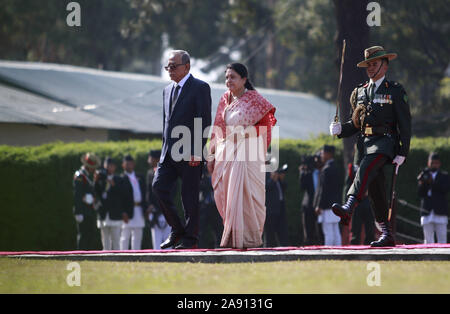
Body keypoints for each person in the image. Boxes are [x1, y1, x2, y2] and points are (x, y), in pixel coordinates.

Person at [330, 45, 412, 247]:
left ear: (385, 66)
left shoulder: (394, 90)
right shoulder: (359, 92)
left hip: (385, 142)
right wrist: (340, 129)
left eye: (374, 64)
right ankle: (387, 233)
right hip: (365, 145)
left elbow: (405, 123)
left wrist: (403, 151)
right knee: (375, 188)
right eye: (368, 64)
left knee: (367, 166)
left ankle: (349, 206)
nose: (370, 68)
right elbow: (355, 125)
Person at [208, 62, 277, 249]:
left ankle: (249, 239)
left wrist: (243, 134)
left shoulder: (254, 99)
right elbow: (219, 127)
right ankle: (231, 235)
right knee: (227, 193)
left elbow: (266, 125)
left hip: (248, 153)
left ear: (244, 79)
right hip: (227, 152)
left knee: (248, 194)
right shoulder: (225, 99)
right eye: (226, 77)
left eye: (233, 77)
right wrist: (211, 153)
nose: (228, 80)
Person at [152, 50, 212, 249]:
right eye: (167, 66)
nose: (170, 70)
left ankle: (190, 240)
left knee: (189, 199)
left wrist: (197, 150)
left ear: (186, 67)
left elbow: (204, 122)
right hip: (168, 154)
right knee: (158, 187)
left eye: (173, 66)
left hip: (190, 153)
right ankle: (177, 229)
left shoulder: (200, 88)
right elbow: (166, 125)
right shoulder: (166, 90)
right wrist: (162, 155)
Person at [417, 152, 449, 244]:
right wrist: (422, 183)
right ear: (428, 163)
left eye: (436, 163)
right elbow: (420, 193)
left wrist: (432, 182)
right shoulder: (424, 174)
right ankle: (428, 258)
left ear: (439, 163)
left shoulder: (444, 176)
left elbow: (444, 190)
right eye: (432, 163)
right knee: (428, 240)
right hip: (427, 210)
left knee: (442, 239)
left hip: (440, 211)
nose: (434, 165)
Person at [314, 145, 342, 246]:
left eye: (322, 153)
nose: (321, 155)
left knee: (328, 231)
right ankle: (339, 250)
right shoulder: (337, 167)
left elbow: (323, 190)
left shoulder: (326, 169)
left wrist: (319, 205)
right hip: (336, 205)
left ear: (328, 154)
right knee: (336, 231)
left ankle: (330, 252)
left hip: (327, 206)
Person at [73, 152, 101, 250]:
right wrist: (78, 212)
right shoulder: (80, 175)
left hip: (90, 210)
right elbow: (77, 195)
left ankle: (88, 255)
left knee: (90, 234)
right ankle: (80, 254)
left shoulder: (89, 176)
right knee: (83, 235)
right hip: (83, 211)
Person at [94, 157, 123, 250]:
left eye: (111, 166)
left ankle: (118, 258)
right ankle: (105, 255)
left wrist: (113, 184)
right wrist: (96, 180)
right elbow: (95, 192)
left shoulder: (118, 179)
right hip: (103, 212)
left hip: (114, 213)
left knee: (116, 239)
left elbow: (122, 194)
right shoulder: (100, 178)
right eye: (107, 165)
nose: (109, 168)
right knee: (105, 238)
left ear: (114, 167)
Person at [120, 154, 147, 250]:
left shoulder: (140, 177)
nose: (129, 165)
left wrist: (146, 209)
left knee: (138, 234)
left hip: (139, 208)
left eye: (130, 163)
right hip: (128, 210)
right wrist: (123, 212)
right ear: (123, 165)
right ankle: (123, 255)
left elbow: (144, 193)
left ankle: (136, 255)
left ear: (133, 164)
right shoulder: (121, 178)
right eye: (126, 164)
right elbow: (120, 198)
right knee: (125, 235)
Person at [146, 149, 172, 250]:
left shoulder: (167, 171)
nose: (149, 160)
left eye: (150, 158)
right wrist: (150, 206)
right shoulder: (149, 173)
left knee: (168, 238)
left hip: (166, 208)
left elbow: (172, 190)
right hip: (155, 210)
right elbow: (148, 192)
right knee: (156, 241)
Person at [299, 153, 321, 245]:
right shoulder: (307, 174)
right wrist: (302, 172)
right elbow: (302, 187)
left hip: (319, 205)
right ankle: (308, 246)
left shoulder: (321, 172)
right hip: (308, 205)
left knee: (320, 230)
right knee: (308, 230)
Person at [264, 164, 289, 247]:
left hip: (280, 206)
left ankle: (284, 248)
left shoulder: (273, 171)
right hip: (270, 208)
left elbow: (284, 187)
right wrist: (272, 179)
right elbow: (264, 188)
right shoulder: (263, 172)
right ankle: (268, 250)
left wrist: (281, 179)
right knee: (270, 233)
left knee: (282, 230)